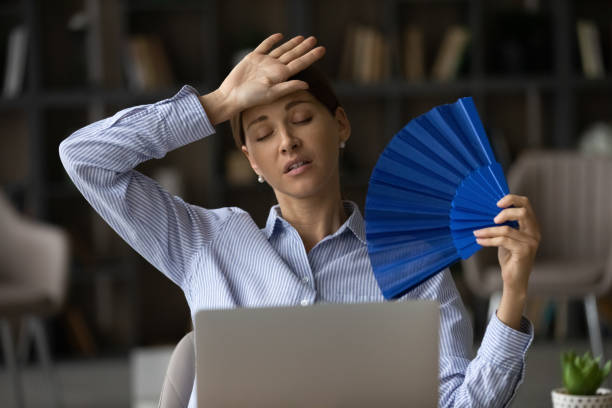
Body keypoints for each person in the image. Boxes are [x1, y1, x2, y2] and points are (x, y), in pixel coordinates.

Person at [59, 33, 541, 407]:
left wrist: (514, 293)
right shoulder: (206, 243)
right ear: (251, 160)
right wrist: (219, 104)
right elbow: (85, 159)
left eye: (302, 119)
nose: (287, 141)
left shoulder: (414, 266)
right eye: (263, 133)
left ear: (341, 125)